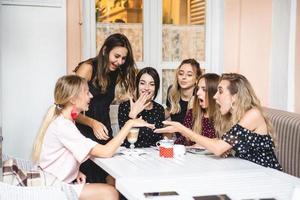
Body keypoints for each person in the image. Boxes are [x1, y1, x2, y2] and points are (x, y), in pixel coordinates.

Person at [32, 75, 154, 200]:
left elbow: (61, 156)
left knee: (111, 182)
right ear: (73, 99)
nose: (91, 96)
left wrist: (75, 172)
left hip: (54, 180)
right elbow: (106, 152)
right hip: (53, 187)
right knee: (111, 193)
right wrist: (130, 124)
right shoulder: (64, 126)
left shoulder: (65, 121)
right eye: (86, 92)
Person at [155, 73, 282, 170]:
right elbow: (221, 144)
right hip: (247, 171)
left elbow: (219, 148)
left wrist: (182, 129)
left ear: (235, 96)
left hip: (267, 175)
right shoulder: (234, 117)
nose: (215, 96)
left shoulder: (253, 114)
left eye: (220, 91)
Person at [74, 33, 137, 183]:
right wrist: (92, 123)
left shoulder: (115, 72)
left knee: (111, 177)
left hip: (103, 130)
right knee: (90, 179)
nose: (120, 62)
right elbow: (70, 110)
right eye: (116, 56)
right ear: (104, 50)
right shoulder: (87, 68)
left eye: (123, 58)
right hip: (84, 131)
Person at [118, 67, 164, 147]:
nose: (146, 88)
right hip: (129, 154)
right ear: (137, 85)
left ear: (156, 88)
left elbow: (158, 140)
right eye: (142, 83)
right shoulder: (125, 106)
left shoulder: (159, 109)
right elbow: (123, 139)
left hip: (152, 155)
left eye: (152, 84)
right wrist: (132, 115)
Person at [175, 73, 220, 145]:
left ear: (215, 93)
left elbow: (226, 145)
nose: (198, 93)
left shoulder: (225, 117)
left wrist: (203, 145)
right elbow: (181, 140)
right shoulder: (192, 113)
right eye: (198, 89)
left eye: (204, 89)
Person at [165, 59, 202, 138]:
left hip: (197, 144)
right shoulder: (172, 92)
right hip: (179, 143)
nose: (184, 77)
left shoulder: (200, 96)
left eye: (189, 75)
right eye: (181, 74)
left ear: (196, 79)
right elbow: (169, 111)